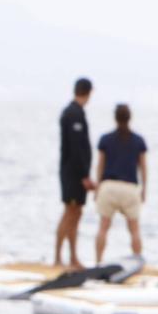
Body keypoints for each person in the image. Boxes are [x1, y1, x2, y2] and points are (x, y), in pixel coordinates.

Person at [91, 103, 148, 264]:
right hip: (130, 188)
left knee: (103, 227)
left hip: (109, 187)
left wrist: (97, 187)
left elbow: (100, 166)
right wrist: (144, 189)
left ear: (115, 118)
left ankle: (98, 261)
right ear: (130, 118)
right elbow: (143, 168)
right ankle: (137, 261)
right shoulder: (138, 141)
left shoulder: (106, 139)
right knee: (134, 229)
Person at [54, 77, 96, 267]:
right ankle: (58, 257)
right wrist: (84, 175)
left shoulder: (76, 113)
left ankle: (72, 256)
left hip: (73, 172)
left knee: (76, 213)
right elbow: (76, 148)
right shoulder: (73, 114)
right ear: (88, 93)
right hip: (72, 173)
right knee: (70, 213)